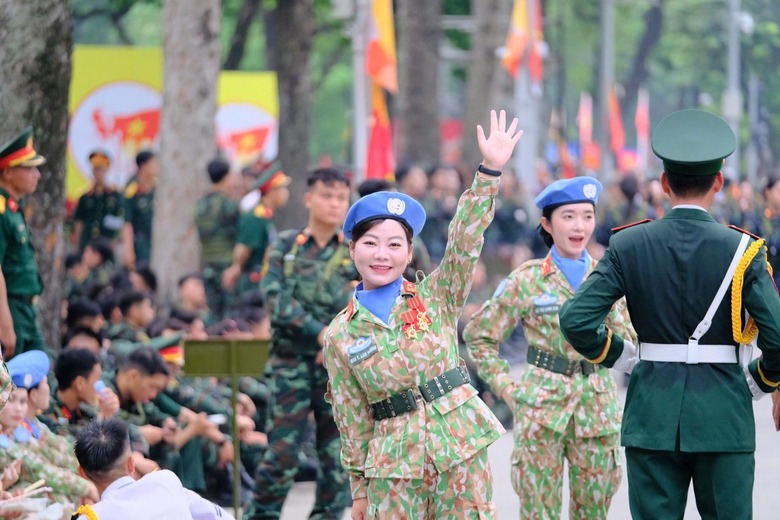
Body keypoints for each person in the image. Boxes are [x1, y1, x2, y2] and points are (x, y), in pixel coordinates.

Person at [558, 109, 780, 520]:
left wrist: (624, 358)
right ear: (718, 182)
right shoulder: (744, 250)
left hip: (651, 413)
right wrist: (759, 381)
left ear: (663, 184)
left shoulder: (628, 244)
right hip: (723, 415)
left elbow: (575, 320)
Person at [323, 110, 521, 519]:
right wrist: (359, 490)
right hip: (393, 467)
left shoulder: (437, 295)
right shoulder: (340, 335)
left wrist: (489, 172)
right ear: (352, 249)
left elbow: (465, 241)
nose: (382, 255)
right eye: (371, 243)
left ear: (409, 253)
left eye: (395, 245)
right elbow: (352, 418)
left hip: (459, 451)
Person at [464, 176, 637, 519]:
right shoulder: (526, 280)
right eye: (568, 216)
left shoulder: (608, 276)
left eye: (587, 216)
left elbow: (632, 336)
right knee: (538, 510)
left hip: (597, 409)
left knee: (594, 510)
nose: (579, 226)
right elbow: (480, 335)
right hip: (541, 410)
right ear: (547, 223)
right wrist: (507, 388)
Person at [246, 167, 358, 520]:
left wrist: (335, 338)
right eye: (326, 196)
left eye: (341, 197)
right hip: (290, 363)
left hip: (338, 366)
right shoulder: (284, 246)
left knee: (336, 453)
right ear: (309, 199)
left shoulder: (356, 250)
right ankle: (261, 515)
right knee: (282, 452)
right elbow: (275, 299)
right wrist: (318, 332)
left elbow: (365, 302)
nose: (334, 204)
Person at [73, 418, 233, 520]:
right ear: (131, 463)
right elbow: (219, 516)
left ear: (83, 473)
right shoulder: (165, 482)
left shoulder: (92, 516)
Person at [0, 127, 47, 359]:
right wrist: (5, 323)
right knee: (9, 386)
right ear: (7, 172)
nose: (36, 174)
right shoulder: (1, 210)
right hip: (10, 309)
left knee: (38, 375)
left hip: (25, 308)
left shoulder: (12, 208)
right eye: (29, 169)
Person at [222, 167, 291, 299]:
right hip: (252, 281)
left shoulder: (267, 214)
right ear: (272, 191)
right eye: (283, 189)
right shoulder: (256, 217)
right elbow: (243, 247)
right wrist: (236, 267)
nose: (286, 193)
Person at [195, 159, 240, 319]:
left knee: (213, 312)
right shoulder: (228, 205)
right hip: (226, 266)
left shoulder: (201, 204)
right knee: (230, 314)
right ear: (226, 177)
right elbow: (239, 236)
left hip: (207, 264)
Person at [71, 149, 124, 252]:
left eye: (101, 170)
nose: (98, 173)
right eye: (96, 169)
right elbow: (79, 222)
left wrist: (116, 241)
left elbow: (122, 219)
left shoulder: (115, 196)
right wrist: (77, 242)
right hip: (87, 242)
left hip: (107, 244)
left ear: (107, 170)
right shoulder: (85, 197)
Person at [122, 150, 157, 269]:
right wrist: (128, 250)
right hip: (141, 243)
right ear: (143, 166)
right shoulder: (132, 190)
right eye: (153, 164)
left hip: (157, 241)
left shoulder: (157, 188)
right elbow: (127, 222)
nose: (156, 167)